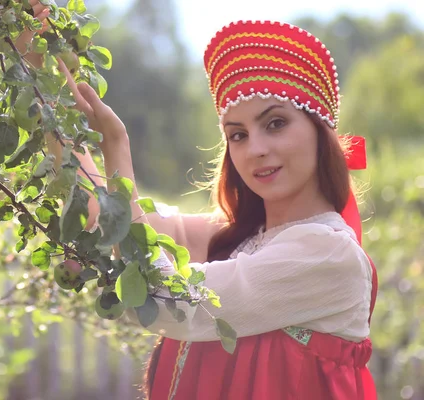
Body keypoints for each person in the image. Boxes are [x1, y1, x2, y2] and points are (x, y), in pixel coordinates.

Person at [19, 3, 377, 399]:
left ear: (320, 130)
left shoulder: (328, 256)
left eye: (275, 123)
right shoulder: (242, 238)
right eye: (237, 134)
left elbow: (166, 299)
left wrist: (117, 147)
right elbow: (104, 214)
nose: (255, 149)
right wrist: (39, 70)